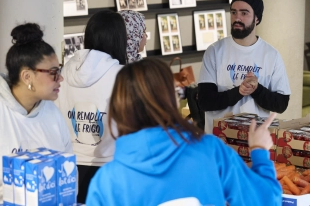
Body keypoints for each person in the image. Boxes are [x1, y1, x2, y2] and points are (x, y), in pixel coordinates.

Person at [85, 58, 282, 206]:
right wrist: (259, 151)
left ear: (119, 105)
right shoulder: (210, 151)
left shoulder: (107, 182)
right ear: (170, 98)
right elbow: (265, 200)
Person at [0, 23, 72, 205]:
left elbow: (65, 171)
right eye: (53, 72)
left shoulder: (52, 113)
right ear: (27, 76)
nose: (61, 78)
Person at [56, 10, 146, 203]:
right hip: (111, 166)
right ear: (120, 38)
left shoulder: (64, 72)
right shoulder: (123, 75)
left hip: (67, 167)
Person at [198, 0, 291, 133]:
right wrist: (239, 92)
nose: (237, 18)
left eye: (244, 13)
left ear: (257, 19)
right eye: (233, 12)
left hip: (256, 141)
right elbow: (205, 101)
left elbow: (281, 104)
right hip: (219, 142)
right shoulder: (214, 51)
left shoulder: (271, 55)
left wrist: (257, 89)